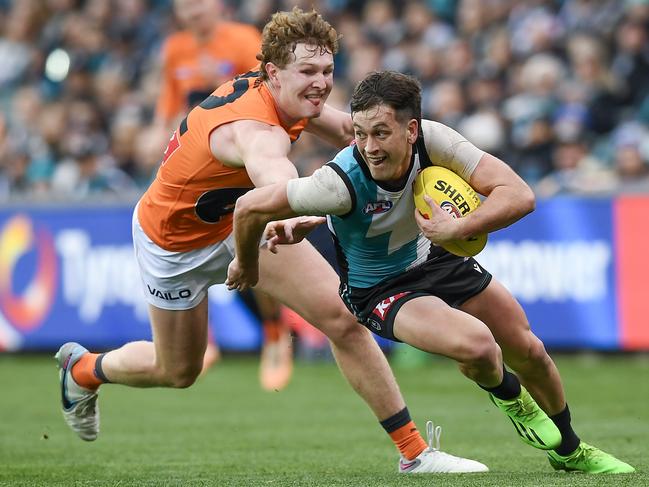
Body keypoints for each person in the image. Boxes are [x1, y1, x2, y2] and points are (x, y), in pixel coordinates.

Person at [55, 9, 487, 474]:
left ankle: (414, 453)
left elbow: (349, 131)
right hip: (171, 243)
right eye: (308, 72)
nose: (321, 83)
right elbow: (273, 172)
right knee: (178, 371)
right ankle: (81, 372)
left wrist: (447, 155)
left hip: (242, 221)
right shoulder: (255, 130)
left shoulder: (286, 95)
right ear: (273, 73)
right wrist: (295, 206)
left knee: (343, 319)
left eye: (326, 71)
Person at [226, 71, 636, 474]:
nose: (369, 146)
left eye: (381, 133)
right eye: (360, 134)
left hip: (436, 255)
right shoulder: (336, 182)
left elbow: (520, 195)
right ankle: (514, 402)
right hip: (380, 289)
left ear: (411, 129)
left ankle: (569, 449)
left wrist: (458, 228)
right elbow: (248, 208)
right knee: (478, 347)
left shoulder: (435, 141)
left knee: (529, 350)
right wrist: (248, 263)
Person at [156, 0, 292, 390]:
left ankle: (274, 334)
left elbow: (264, 98)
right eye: (184, 6)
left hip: (238, 157)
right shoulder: (175, 49)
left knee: (261, 248)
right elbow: (169, 105)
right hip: (195, 160)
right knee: (178, 248)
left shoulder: (241, 40)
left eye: (199, 3)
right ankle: (206, 341)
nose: (192, 11)